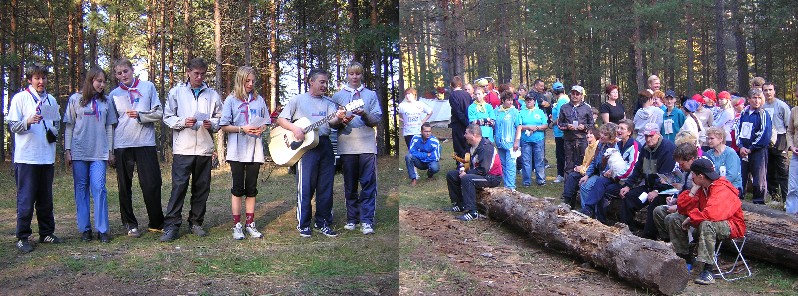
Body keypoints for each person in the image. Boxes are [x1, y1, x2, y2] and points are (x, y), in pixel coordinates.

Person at [276, 68, 345, 237]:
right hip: (306, 148)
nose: (324, 85)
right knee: (306, 186)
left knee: (326, 186)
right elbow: (281, 119)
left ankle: (324, 223)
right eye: (321, 82)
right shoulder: (297, 100)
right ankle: (304, 224)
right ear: (311, 82)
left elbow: (334, 122)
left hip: (325, 145)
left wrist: (340, 117)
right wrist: (295, 128)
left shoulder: (329, 103)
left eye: (326, 82)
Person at [160, 58, 223, 242]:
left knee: (201, 188)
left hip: (204, 149)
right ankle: (171, 226)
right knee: (179, 187)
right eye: (196, 73)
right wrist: (182, 122)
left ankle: (196, 222)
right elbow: (167, 117)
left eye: (203, 73)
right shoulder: (176, 92)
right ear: (188, 72)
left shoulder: (212, 95)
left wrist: (212, 123)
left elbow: (220, 118)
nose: (199, 77)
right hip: (183, 149)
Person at [8, 63, 63, 253]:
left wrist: (53, 132)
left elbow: (56, 123)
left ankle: (46, 232)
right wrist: (28, 121)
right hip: (27, 158)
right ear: (30, 79)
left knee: (45, 199)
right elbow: (12, 126)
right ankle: (22, 237)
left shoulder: (51, 100)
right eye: (37, 78)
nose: (41, 81)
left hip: (46, 156)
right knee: (26, 198)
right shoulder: (21, 98)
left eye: (44, 78)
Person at [665, 158, 745, 285]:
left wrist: (692, 217)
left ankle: (708, 270)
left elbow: (713, 214)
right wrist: (692, 191)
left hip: (731, 224)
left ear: (701, 176)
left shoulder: (722, 188)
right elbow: (683, 207)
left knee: (707, 225)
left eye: (693, 174)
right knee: (674, 218)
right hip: (707, 221)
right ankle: (685, 259)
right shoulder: (702, 188)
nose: (691, 178)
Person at [109, 58, 164, 238]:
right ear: (116, 76)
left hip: (145, 143)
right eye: (119, 73)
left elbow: (159, 113)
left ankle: (156, 223)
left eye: (126, 71)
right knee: (124, 186)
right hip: (123, 143)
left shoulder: (147, 87)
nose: (123, 75)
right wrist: (110, 151)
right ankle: (130, 224)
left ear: (133, 70)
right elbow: (111, 123)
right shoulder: (114, 94)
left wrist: (141, 115)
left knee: (152, 183)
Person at [63, 66, 118, 243]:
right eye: (98, 81)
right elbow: (69, 126)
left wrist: (110, 151)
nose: (102, 85)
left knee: (99, 188)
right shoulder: (75, 99)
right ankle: (85, 229)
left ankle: (102, 229)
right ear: (90, 80)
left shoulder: (107, 101)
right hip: (79, 151)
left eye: (104, 82)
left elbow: (109, 127)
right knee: (81, 189)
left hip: (99, 153)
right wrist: (67, 150)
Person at [219, 66, 269, 240]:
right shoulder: (231, 100)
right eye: (247, 81)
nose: (250, 84)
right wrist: (242, 129)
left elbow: (266, 122)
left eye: (253, 81)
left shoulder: (258, 99)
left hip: (255, 150)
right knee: (238, 188)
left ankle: (250, 223)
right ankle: (237, 225)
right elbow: (224, 125)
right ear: (240, 80)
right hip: (237, 151)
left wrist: (260, 128)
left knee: (251, 188)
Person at [332, 62, 383, 235]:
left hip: (367, 146)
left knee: (368, 183)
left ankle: (367, 220)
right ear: (347, 75)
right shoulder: (338, 96)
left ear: (362, 75)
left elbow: (376, 119)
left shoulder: (370, 95)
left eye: (358, 74)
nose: (354, 77)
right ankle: (352, 218)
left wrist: (365, 114)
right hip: (347, 147)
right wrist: (341, 121)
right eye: (351, 74)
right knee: (350, 185)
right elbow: (331, 122)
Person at [619, 123, 676, 238]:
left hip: (665, 190)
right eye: (646, 136)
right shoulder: (645, 148)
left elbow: (667, 176)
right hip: (648, 187)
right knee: (628, 197)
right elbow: (638, 169)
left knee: (654, 204)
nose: (648, 139)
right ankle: (627, 231)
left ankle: (648, 238)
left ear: (658, 134)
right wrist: (628, 186)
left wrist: (656, 191)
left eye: (651, 136)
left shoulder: (668, 148)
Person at [584, 120, 639, 224]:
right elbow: (614, 162)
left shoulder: (634, 145)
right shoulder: (618, 144)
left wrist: (616, 176)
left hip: (629, 182)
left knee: (604, 189)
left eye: (622, 129)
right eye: (618, 128)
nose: (619, 130)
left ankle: (600, 219)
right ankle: (589, 210)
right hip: (617, 178)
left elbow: (632, 168)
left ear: (629, 132)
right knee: (600, 182)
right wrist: (609, 171)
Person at [445, 123, 503, 221]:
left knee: (467, 179)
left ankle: (472, 212)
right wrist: (462, 169)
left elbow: (484, 170)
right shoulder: (470, 146)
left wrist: (466, 174)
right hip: (480, 174)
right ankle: (460, 204)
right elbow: (466, 162)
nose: (464, 135)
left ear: (474, 135)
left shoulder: (486, 147)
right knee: (451, 175)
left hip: (491, 177)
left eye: (466, 133)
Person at [652, 142, 699, 242]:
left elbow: (697, 200)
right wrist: (675, 200)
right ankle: (667, 240)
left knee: (673, 218)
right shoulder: (687, 172)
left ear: (692, 160)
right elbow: (684, 191)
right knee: (658, 211)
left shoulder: (699, 175)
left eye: (682, 164)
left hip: (693, 210)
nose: (680, 167)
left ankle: (682, 250)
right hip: (684, 205)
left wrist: (678, 208)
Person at [577, 123, 619, 222]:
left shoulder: (615, 146)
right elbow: (594, 161)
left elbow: (612, 166)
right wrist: (587, 175)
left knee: (596, 187)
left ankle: (596, 216)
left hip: (609, 177)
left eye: (605, 134)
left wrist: (604, 174)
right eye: (601, 133)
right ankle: (586, 213)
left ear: (611, 136)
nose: (602, 136)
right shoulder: (600, 144)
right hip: (599, 173)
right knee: (584, 185)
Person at [736, 88, 772, 204]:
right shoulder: (743, 113)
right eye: (754, 98)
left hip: (758, 151)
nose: (757, 101)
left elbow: (764, 134)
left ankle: (758, 201)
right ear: (749, 99)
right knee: (741, 175)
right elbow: (737, 130)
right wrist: (740, 146)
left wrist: (751, 148)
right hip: (743, 150)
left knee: (759, 177)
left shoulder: (763, 114)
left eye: (759, 98)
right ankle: (739, 198)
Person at [762, 82, 792, 202]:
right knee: (770, 170)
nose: (768, 92)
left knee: (783, 171)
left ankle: (787, 199)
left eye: (770, 90)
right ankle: (774, 197)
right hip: (767, 140)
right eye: (765, 90)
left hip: (780, 139)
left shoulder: (781, 105)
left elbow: (788, 126)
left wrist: (788, 144)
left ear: (774, 91)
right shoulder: (762, 106)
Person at [557, 85, 594, 173]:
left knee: (583, 161)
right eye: (573, 93)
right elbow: (559, 123)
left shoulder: (587, 108)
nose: (575, 96)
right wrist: (567, 126)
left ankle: (580, 183)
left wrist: (584, 126)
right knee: (569, 162)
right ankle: (568, 184)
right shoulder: (564, 107)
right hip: (568, 139)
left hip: (582, 139)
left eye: (577, 94)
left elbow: (592, 124)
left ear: (581, 96)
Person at [561, 126, 600, 208]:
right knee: (572, 176)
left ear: (596, 136)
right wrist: (579, 167)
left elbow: (593, 165)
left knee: (573, 177)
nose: (588, 135)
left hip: (593, 173)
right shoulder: (588, 148)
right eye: (587, 133)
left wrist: (581, 169)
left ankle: (567, 201)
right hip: (585, 170)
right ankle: (569, 202)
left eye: (591, 134)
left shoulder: (597, 147)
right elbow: (585, 163)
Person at [515, 94, 547, 187]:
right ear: (525, 102)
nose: (529, 101)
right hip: (525, 140)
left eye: (531, 100)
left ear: (534, 101)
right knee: (526, 161)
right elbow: (519, 126)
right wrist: (528, 127)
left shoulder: (540, 112)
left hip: (538, 139)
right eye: (527, 100)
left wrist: (537, 127)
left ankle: (541, 180)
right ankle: (526, 181)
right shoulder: (521, 113)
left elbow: (545, 125)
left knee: (539, 160)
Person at [494, 91, 521, 190]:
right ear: (502, 101)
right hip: (500, 143)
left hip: (511, 143)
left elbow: (519, 127)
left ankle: (511, 186)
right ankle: (506, 185)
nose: (510, 102)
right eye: (508, 100)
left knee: (511, 165)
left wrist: (517, 141)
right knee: (503, 165)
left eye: (511, 100)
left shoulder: (515, 112)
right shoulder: (496, 111)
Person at [705, 127, 742, 194]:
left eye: (712, 138)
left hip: (731, 187)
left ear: (721, 139)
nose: (709, 141)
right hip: (713, 187)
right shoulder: (709, 153)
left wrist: (716, 185)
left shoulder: (730, 153)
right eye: (708, 138)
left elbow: (732, 176)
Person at [448, 76, 472, 161]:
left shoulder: (452, 96)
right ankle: (468, 163)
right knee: (467, 144)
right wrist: (469, 122)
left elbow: (457, 111)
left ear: (451, 85)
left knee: (458, 146)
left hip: (458, 124)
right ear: (460, 84)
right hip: (468, 123)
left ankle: (461, 165)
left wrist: (465, 122)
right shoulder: (467, 95)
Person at [551, 82, 569, 183]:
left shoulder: (562, 100)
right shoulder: (563, 99)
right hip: (560, 131)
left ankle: (561, 174)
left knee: (561, 153)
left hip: (560, 132)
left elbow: (560, 117)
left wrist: (551, 124)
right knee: (561, 153)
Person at [787, 85, 798, 215]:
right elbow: (789, 131)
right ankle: (790, 217)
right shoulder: (794, 111)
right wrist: (791, 146)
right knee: (793, 187)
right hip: (795, 154)